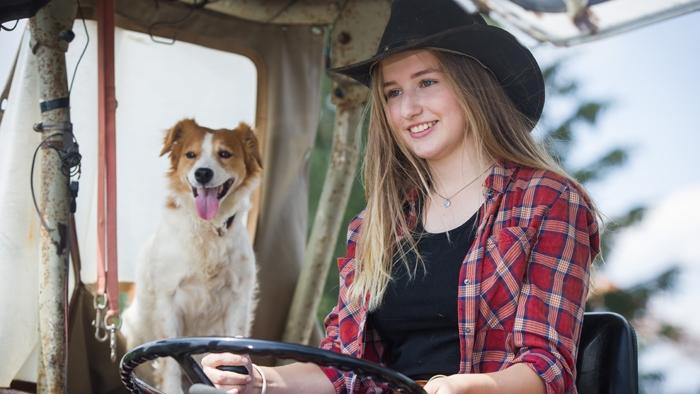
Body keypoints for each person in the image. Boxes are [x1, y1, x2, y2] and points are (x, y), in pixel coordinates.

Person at [202, 0, 600, 393]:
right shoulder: (376, 224)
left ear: (473, 85)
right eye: (393, 93)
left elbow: (545, 368)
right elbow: (343, 367)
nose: (408, 108)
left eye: (427, 82)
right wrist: (262, 380)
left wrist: (456, 388)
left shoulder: (547, 201)